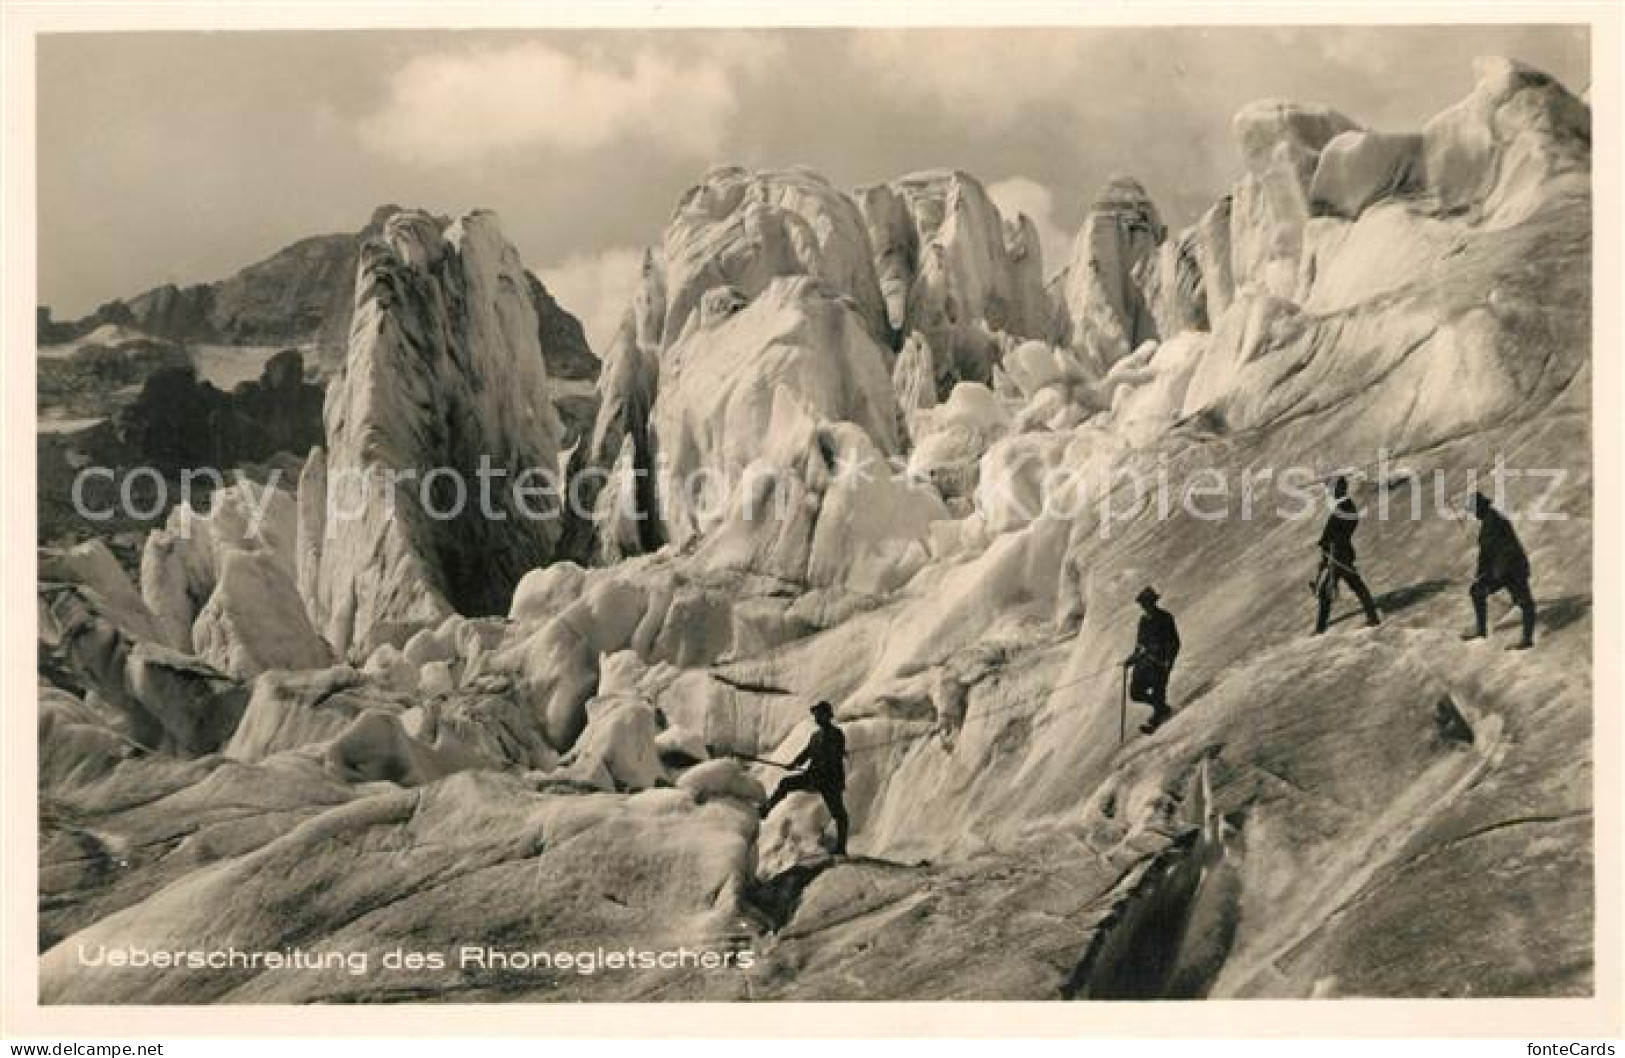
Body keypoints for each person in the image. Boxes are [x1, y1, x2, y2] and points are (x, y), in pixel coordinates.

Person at [761, 701, 849, 855]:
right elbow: (806, 753)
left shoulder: (836, 734)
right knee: (785, 783)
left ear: (827, 716)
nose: (816, 717)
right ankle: (766, 809)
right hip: (814, 777)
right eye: (815, 714)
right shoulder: (815, 736)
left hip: (830, 781)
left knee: (839, 814)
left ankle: (841, 847)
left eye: (819, 714)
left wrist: (822, 766)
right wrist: (793, 763)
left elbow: (835, 756)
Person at [1465, 492, 1537, 649]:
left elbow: (1506, 549)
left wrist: (1497, 572)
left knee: (1525, 603)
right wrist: (1481, 573)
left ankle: (1527, 640)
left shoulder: (1496, 522)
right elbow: (1486, 553)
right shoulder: (1488, 522)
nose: (1474, 514)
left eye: (1474, 510)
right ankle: (1481, 630)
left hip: (1513, 568)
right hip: (1500, 570)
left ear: (1481, 508)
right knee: (1477, 590)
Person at [1314, 476, 1382, 634]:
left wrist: (1328, 554)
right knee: (1357, 586)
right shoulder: (1347, 507)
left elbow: (1333, 532)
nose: (1332, 493)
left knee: (1327, 592)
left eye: (1334, 490)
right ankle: (1373, 618)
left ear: (1339, 490)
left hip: (1337, 556)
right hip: (1341, 554)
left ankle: (1320, 629)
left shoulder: (1344, 508)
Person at [1122, 587, 1180, 734]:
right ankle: (1162, 708)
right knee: (1135, 693)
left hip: (1160, 664)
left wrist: (1168, 661)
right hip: (1144, 664)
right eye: (1142, 603)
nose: (1143, 606)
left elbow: (1174, 642)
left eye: (1146, 603)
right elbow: (1140, 645)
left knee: (1158, 692)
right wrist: (1132, 659)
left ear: (1153, 602)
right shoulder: (1143, 621)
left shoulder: (1165, 618)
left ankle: (1157, 720)